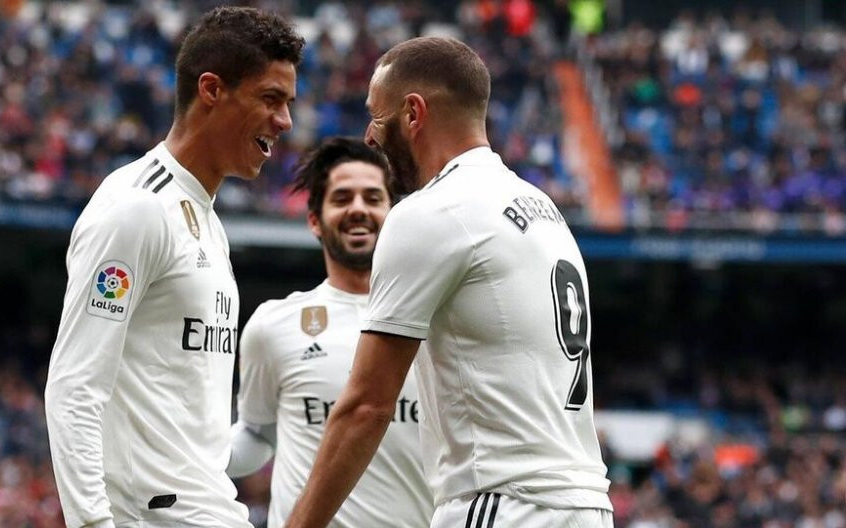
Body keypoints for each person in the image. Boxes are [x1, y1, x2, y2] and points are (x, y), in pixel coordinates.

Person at [285, 37, 613, 528]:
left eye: (377, 117)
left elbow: (367, 406)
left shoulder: (432, 211)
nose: (370, 138)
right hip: (584, 503)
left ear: (413, 113)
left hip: (504, 502)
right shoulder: (541, 207)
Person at [44, 8, 303, 528]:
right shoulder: (137, 208)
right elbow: (73, 388)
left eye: (288, 104)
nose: (285, 121)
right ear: (211, 89)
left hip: (211, 511)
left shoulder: (208, 223)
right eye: (270, 99)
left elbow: (186, 429)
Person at [227, 137, 433, 527]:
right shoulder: (274, 325)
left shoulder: (438, 326)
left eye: (373, 198)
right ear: (315, 221)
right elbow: (257, 436)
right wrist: (188, 452)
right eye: (342, 198)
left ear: (394, 214)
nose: (358, 208)